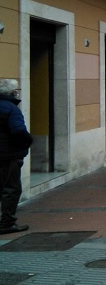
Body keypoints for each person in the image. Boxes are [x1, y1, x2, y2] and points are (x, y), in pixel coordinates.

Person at [0, 79, 32, 234]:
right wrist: (27, 142)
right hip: (9, 155)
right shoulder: (12, 109)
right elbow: (19, 131)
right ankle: (7, 223)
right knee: (11, 188)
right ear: (13, 92)